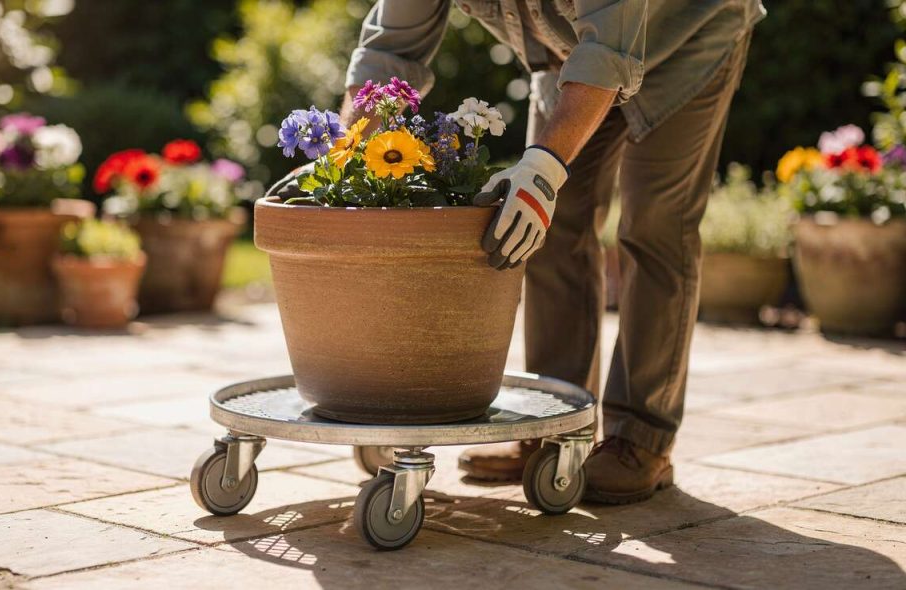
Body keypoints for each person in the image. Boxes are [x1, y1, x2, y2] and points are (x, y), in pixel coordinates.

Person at [276, 0, 764, 504]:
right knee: (545, 229)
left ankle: (642, 440)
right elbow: (387, 52)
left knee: (655, 227)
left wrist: (544, 169)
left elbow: (608, 50)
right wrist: (342, 165)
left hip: (687, 37)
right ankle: (555, 432)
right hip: (572, 59)